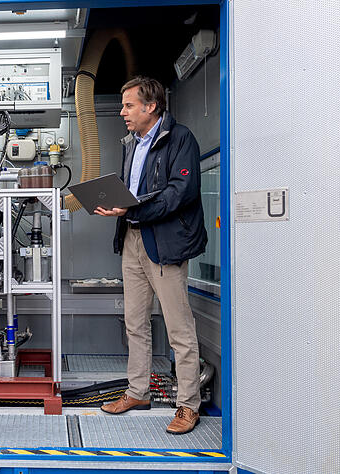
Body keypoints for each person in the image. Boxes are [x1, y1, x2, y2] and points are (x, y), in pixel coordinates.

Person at [95, 76, 208, 434]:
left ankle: (189, 405)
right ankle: (138, 391)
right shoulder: (132, 143)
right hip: (132, 238)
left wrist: (132, 210)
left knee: (179, 327)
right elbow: (133, 191)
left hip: (165, 242)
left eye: (129, 105)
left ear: (151, 106)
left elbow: (181, 192)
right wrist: (118, 205)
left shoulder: (180, 139)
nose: (123, 112)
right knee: (135, 322)